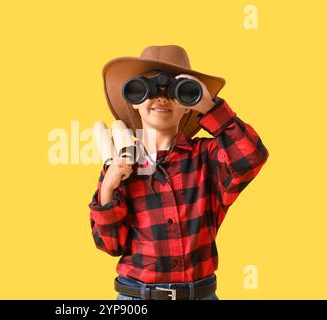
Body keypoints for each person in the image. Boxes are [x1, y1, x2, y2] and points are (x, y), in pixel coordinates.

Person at [89, 45, 269, 300]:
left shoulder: (207, 157)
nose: (161, 97)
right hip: (136, 296)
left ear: (188, 105)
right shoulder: (121, 164)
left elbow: (252, 156)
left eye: (177, 91)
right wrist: (108, 187)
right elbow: (110, 245)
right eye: (148, 88)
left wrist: (209, 106)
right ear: (135, 102)